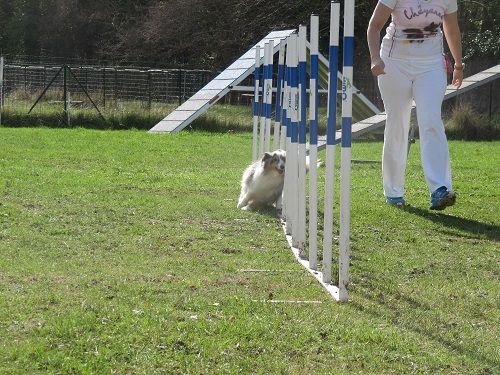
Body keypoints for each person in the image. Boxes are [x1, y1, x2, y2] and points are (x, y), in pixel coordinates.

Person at [367, 0, 464, 210]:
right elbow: (374, 26)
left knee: (431, 121)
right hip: (393, 63)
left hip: (431, 65)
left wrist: (458, 64)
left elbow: (451, 28)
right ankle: (394, 191)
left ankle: (440, 189)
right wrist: (375, 58)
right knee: (397, 123)